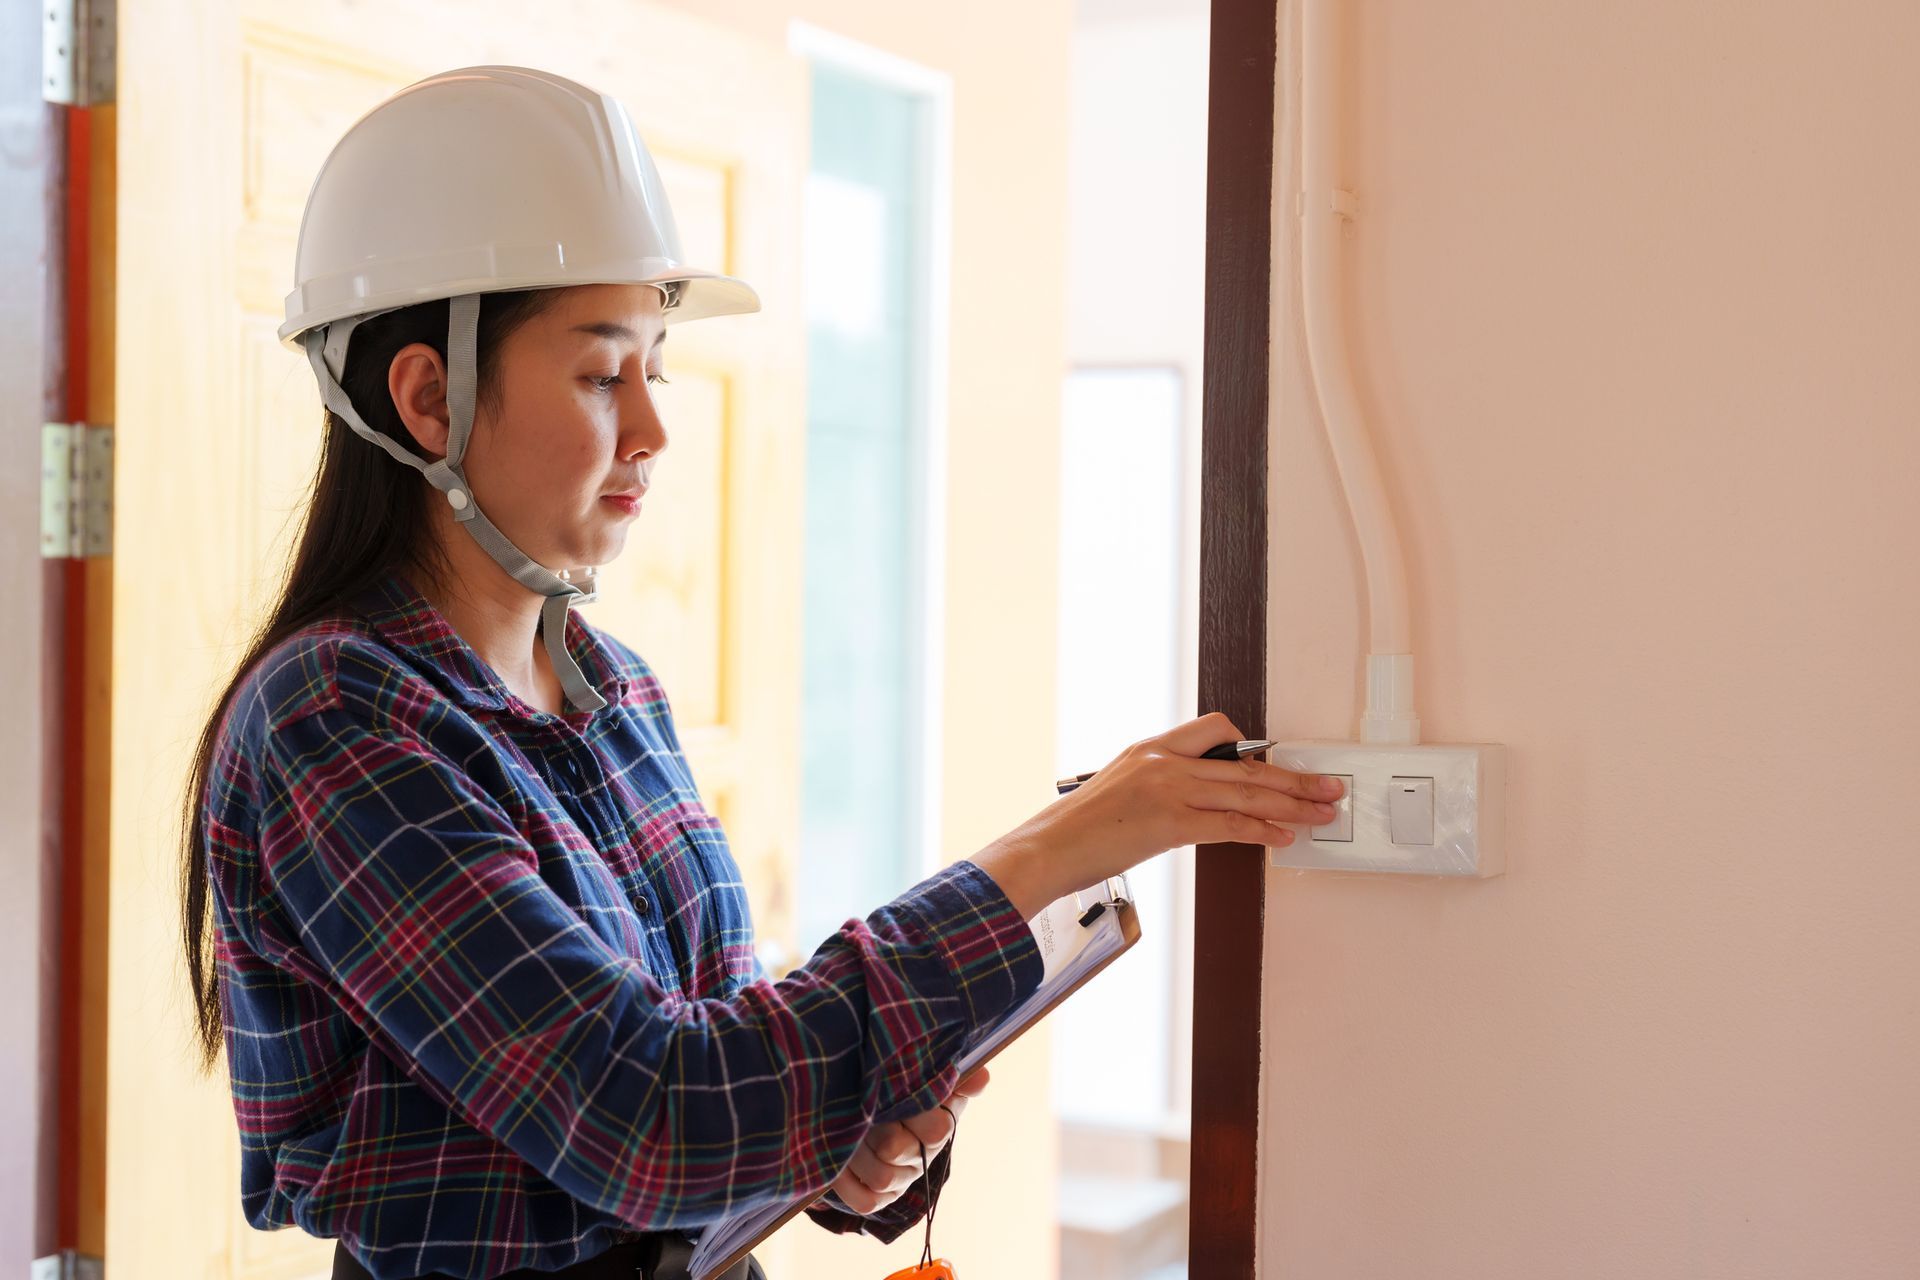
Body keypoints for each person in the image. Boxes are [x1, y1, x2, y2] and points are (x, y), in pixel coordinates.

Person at [176, 65, 1345, 1280]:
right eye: (598, 371)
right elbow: (649, 1114)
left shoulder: (612, 689)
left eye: (654, 369)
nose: (653, 428)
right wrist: (1057, 848)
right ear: (429, 397)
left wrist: (829, 1148)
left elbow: (712, 1065)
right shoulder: (334, 719)